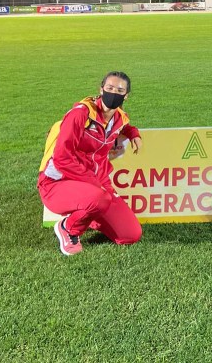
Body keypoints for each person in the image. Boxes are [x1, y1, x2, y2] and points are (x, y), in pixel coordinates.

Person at [38, 71, 143, 256]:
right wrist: (94, 183)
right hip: (57, 183)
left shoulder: (119, 118)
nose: (114, 93)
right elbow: (62, 158)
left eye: (119, 90)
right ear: (101, 89)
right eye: (110, 88)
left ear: (126, 95)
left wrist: (133, 133)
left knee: (130, 234)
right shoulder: (80, 114)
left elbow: (124, 125)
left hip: (96, 185)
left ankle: (91, 212)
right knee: (99, 198)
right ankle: (68, 228)